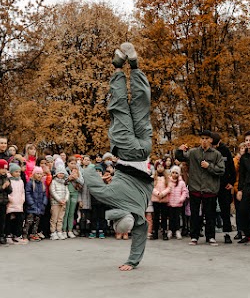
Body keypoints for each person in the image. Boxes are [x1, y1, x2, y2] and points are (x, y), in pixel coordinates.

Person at [82, 43, 153, 271]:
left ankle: (135, 66)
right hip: (127, 151)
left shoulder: (140, 214)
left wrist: (132, 262)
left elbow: (139, 238)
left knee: (142, 107)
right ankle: (118, 68)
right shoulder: (111, 197)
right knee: (119, 108)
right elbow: (91, 181)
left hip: (145, 151)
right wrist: (94, 167)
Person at [175, 130, 225, 246]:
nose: (204, 141)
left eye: (207, 138)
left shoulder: (216, 154)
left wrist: (209, 166)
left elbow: (221, 170)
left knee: (210, 214)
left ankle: (210, 237)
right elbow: (180, 157)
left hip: (210, 189)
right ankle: (194, 236)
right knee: (195, 214)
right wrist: (179, 149)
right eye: (202, 138)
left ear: (211, 140)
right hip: (195, 188)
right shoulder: (193, 153)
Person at [210, 133, 236, 244]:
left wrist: (231, 182)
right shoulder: (208, 152)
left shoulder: (225, 151)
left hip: (224, 185)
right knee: (210, 210)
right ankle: (210, 235)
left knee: (225, 210)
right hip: (211, 185)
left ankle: (227, 233)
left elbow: (231, 168)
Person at [23, 166, 48, 242]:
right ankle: (25, 234)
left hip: (39, 206)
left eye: (40, 174)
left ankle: (33, 234)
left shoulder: (42, 184)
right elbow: (28, 194)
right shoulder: (30, 183)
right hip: (32, 207)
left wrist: (44, 203)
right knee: (29, 221)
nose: (39, 175)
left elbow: (44, 195)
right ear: (33, 174)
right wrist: (31, 203)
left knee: (36, 221)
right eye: (37, 173)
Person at [62, 156, 84, 239]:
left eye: (74, 163)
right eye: (71, 163)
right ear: (68, 163)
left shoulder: (78, 171)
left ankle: (70, 230)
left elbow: (82, 182)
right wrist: (68, 178)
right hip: (66, 193)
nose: (73, 165)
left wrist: (76, 178)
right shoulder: (65, 171)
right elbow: (61, 181)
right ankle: (64, 230)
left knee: (72, 213)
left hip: (75, 193)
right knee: (66, 213)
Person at [5, 163, 27, 244]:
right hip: (11, 204)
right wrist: (11, 199)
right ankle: (8, 235)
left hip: (19, 203)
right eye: (16, 172)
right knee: (9, 220)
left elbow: (22, 191)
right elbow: (7, 192)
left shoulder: (21, 181)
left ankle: (17, 235)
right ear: (11, 172)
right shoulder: (8, 180)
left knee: (19, 220)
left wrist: (22, 199)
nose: (18, 173)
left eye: (19, 172)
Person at [151, 160, 171, 240]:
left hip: (164, 199)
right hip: (155, 199)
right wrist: (157, 193)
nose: (160, 168)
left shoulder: (167, 178)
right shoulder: (153, 177)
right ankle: (154, 232)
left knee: (164, 217)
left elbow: (169, 187)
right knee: (155, 217)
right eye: (158, 167)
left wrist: (163, 193)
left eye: (161, 166)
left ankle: (164, 232)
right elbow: (151, 187)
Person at [167, 165, 188, 240]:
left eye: (176, 173)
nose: (174, 174)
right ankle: (170, 230)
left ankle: (177, 230)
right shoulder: (168, 181)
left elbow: (184, 191)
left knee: (177, 217)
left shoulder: (181, 183)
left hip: (178, 203)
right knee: (171, 217)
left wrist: (181, 199)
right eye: (173, 172)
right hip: (170, 203)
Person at [50, 165, 69, 240]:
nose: (61, 174)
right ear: (56, 174)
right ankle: (53, 232)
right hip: (55, 203)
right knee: (54, 218)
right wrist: (59, 200)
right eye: (59, 173)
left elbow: (67, 192)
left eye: (62, 173)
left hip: (63, 203)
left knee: (60, 218)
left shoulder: (64, 182)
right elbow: (53, 192)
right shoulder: (54, 182)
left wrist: (65, 199)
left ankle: (59, 231)